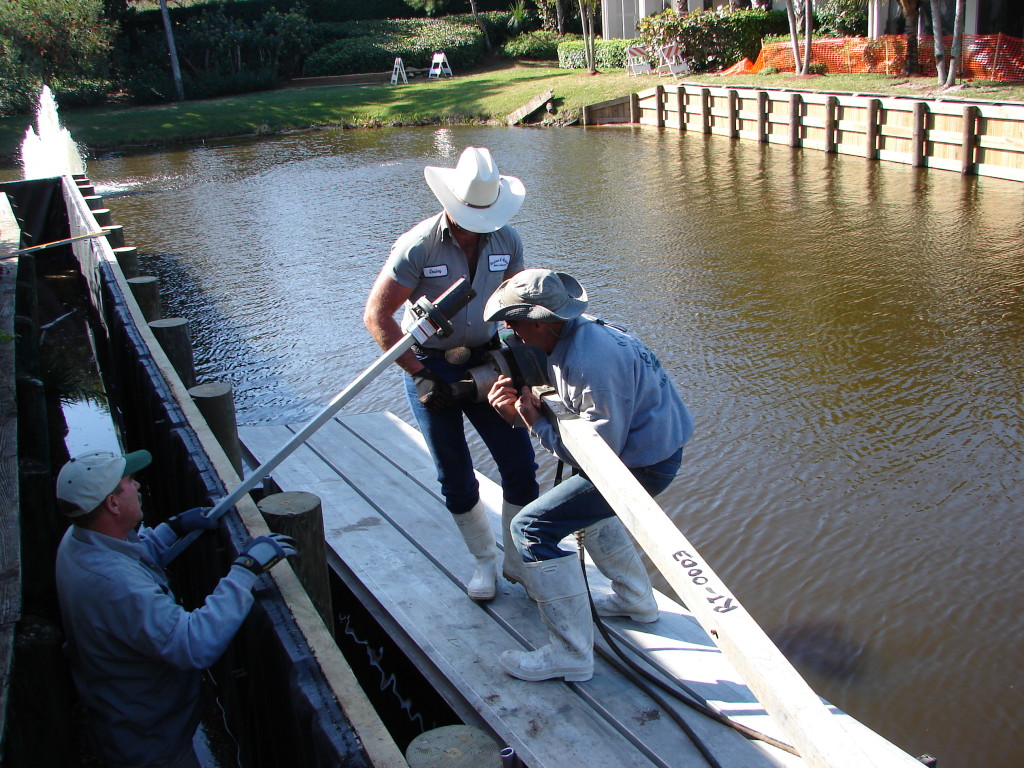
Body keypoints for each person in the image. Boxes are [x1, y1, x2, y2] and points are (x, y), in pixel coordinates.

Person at [484, 269, 694, 682]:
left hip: (642, 465)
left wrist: (529, 421)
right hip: (655, 448)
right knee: (586, 514)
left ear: (542, 322)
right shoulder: (588, 331)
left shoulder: (590, 361)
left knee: (531, 528)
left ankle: (571, 653)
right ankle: (638, 602)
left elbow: (601, 458)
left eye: (514, 320)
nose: (508, 330)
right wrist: (541, 408)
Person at [363, 146, 539, 603]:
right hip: (429, 362)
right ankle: (484, 562)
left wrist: (519, 366)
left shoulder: (508, 240)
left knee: (520, 463)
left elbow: (515, 309)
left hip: (486, 361)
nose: (481, 227)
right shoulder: (417, 246)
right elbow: (377, 316)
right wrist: (421, 375)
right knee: (455, 472)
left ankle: (517, 562)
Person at [54, 449, 298, 768]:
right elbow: (193, 643)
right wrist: (244, 570)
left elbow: (131, 560)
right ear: (113, 504)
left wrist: (171, 529)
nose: (138, 486)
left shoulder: (79, 540)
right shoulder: (114, 584)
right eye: (129, 482)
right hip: (149, 742)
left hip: (123, 714)